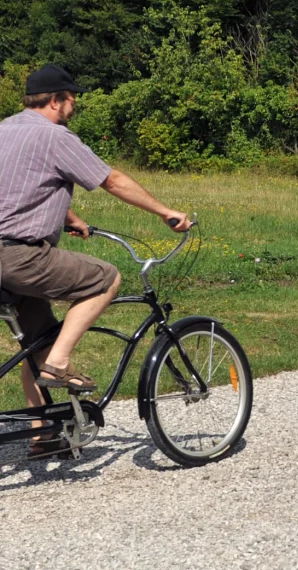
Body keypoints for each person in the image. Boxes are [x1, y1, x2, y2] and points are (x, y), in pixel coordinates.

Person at [0, 64, 190, 454]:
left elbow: (20, 185)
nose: (73, 107)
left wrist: (69, 217)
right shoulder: (56, 137)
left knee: (37, 342)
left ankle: (43, 435)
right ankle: (60, 364)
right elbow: (112, 180)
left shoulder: (5, 129)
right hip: (19, 256)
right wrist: (164, 212)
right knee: (105, 278)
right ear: (56, 101)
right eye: (71, 100)